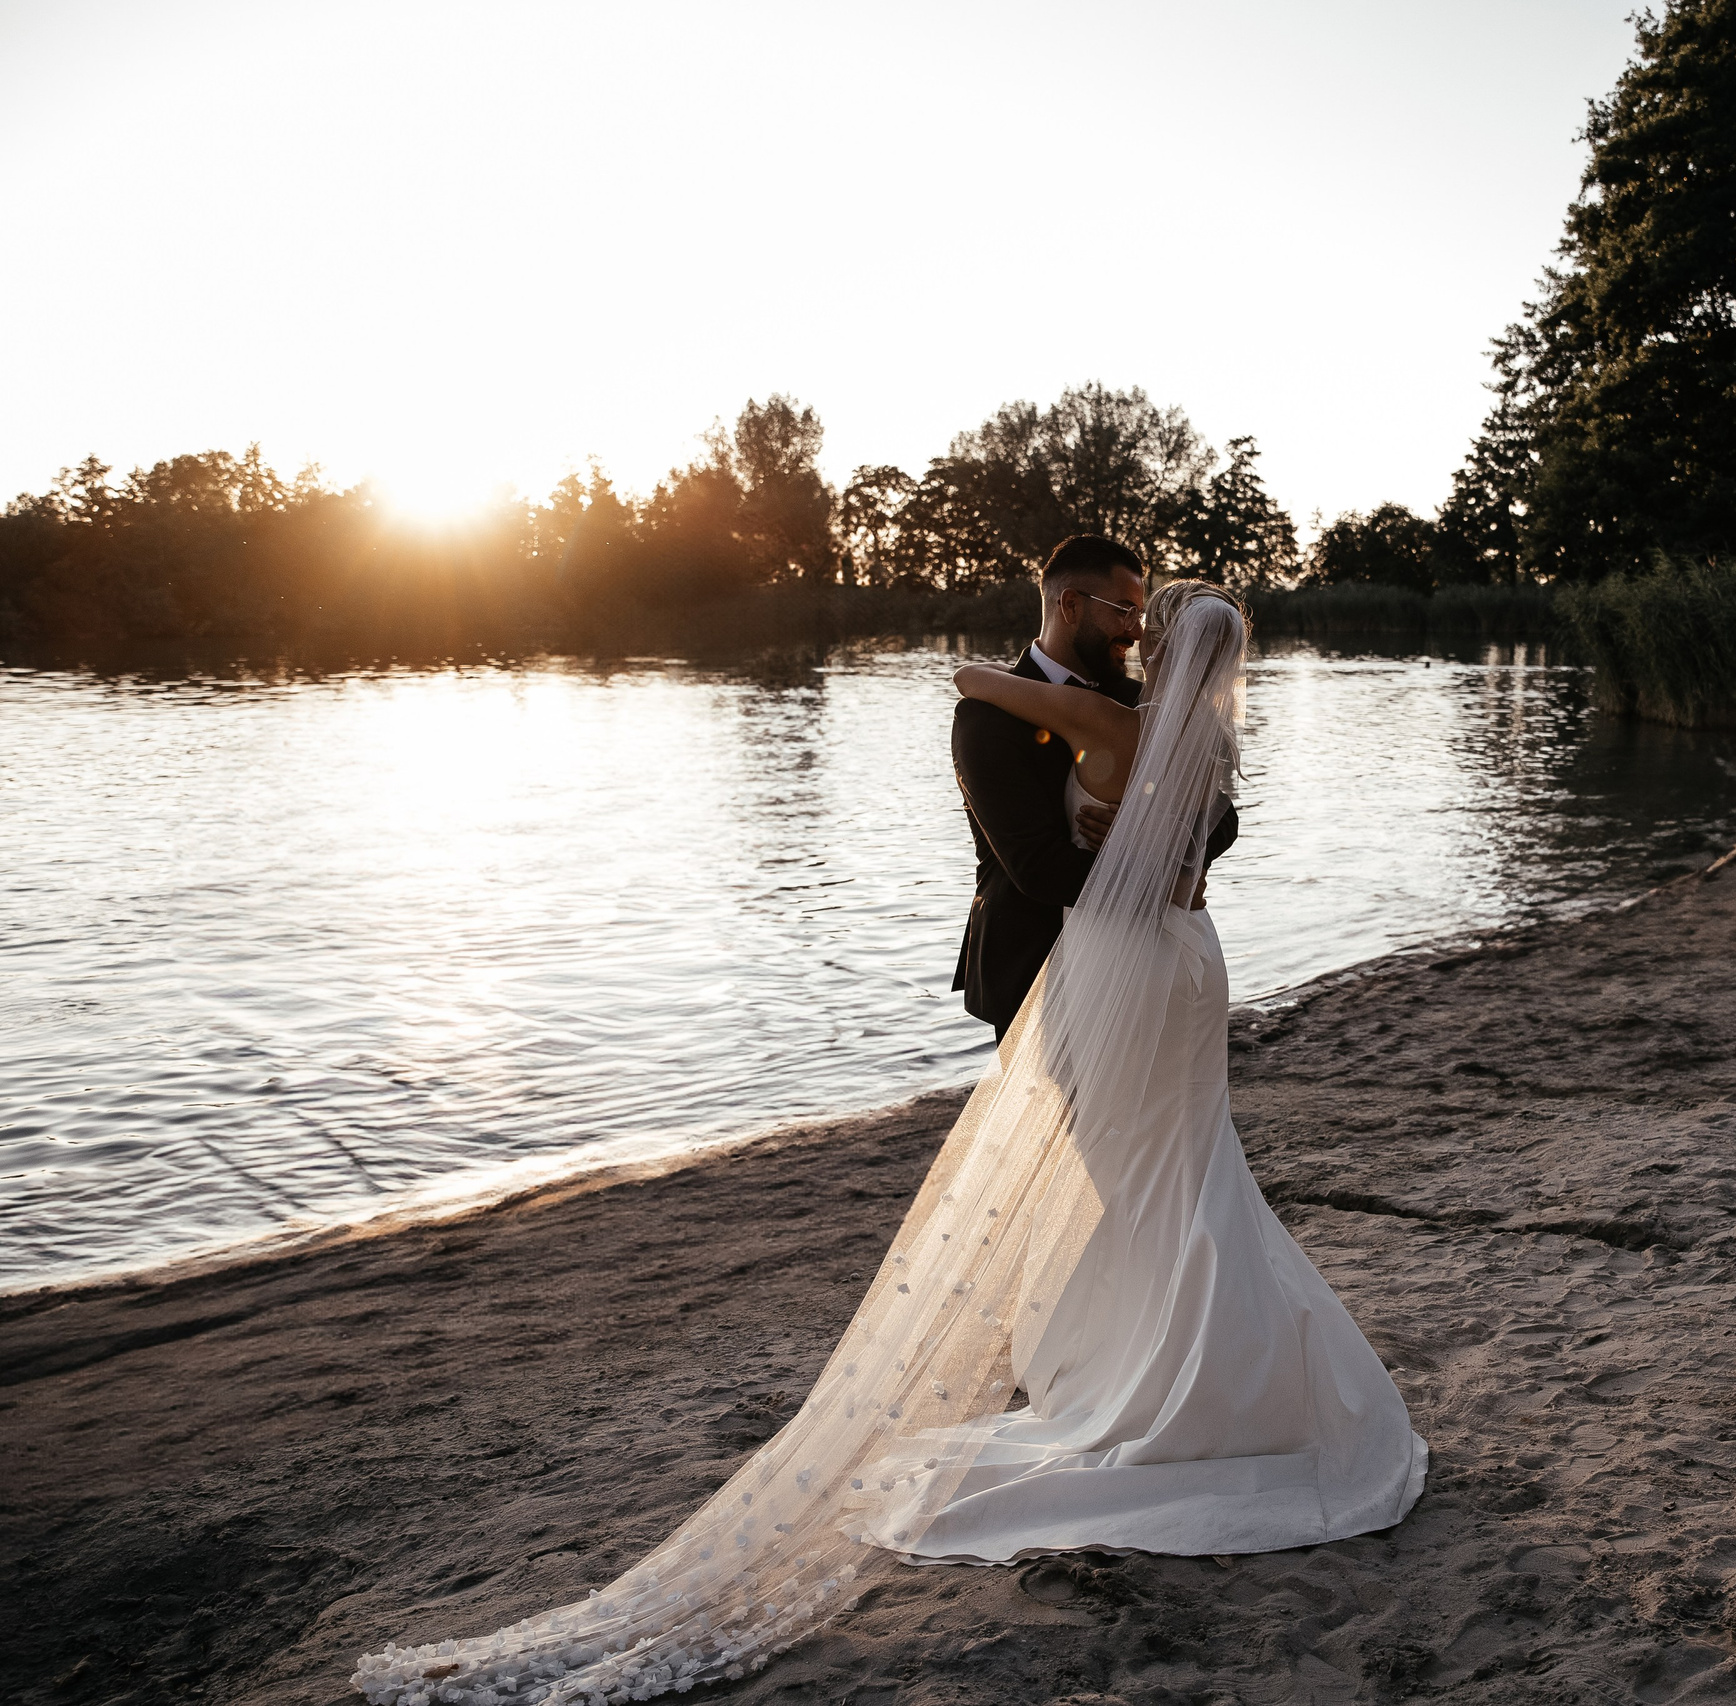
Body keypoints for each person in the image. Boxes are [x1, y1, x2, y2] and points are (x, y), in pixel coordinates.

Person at [353, 556, 1427, 1706]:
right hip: (1132, 961)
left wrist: (1149, 843)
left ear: (1155, 635)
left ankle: (1175, 1387)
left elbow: (1202, 832)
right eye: (1114, 604)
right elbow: (1043, 858)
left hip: (1126, 963)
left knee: (1150, 1178)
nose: (1128, 621)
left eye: (1142, 611)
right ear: (1068, 602)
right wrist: (1156, 847)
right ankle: (1168, 1369)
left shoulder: (1100, 709)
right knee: (1162, 1175)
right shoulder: (1098, 719)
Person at [950, 535, 1239, 1037]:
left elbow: (1222, 816)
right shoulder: (985, 718)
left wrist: (1166, 844)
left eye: (1142, 613)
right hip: (1031, 962)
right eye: (1124, 610)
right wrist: (1164, 883)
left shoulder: (1144, 703)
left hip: (1140, 955)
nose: (1136, 630)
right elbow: (1035, 866)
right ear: (1070, 605)